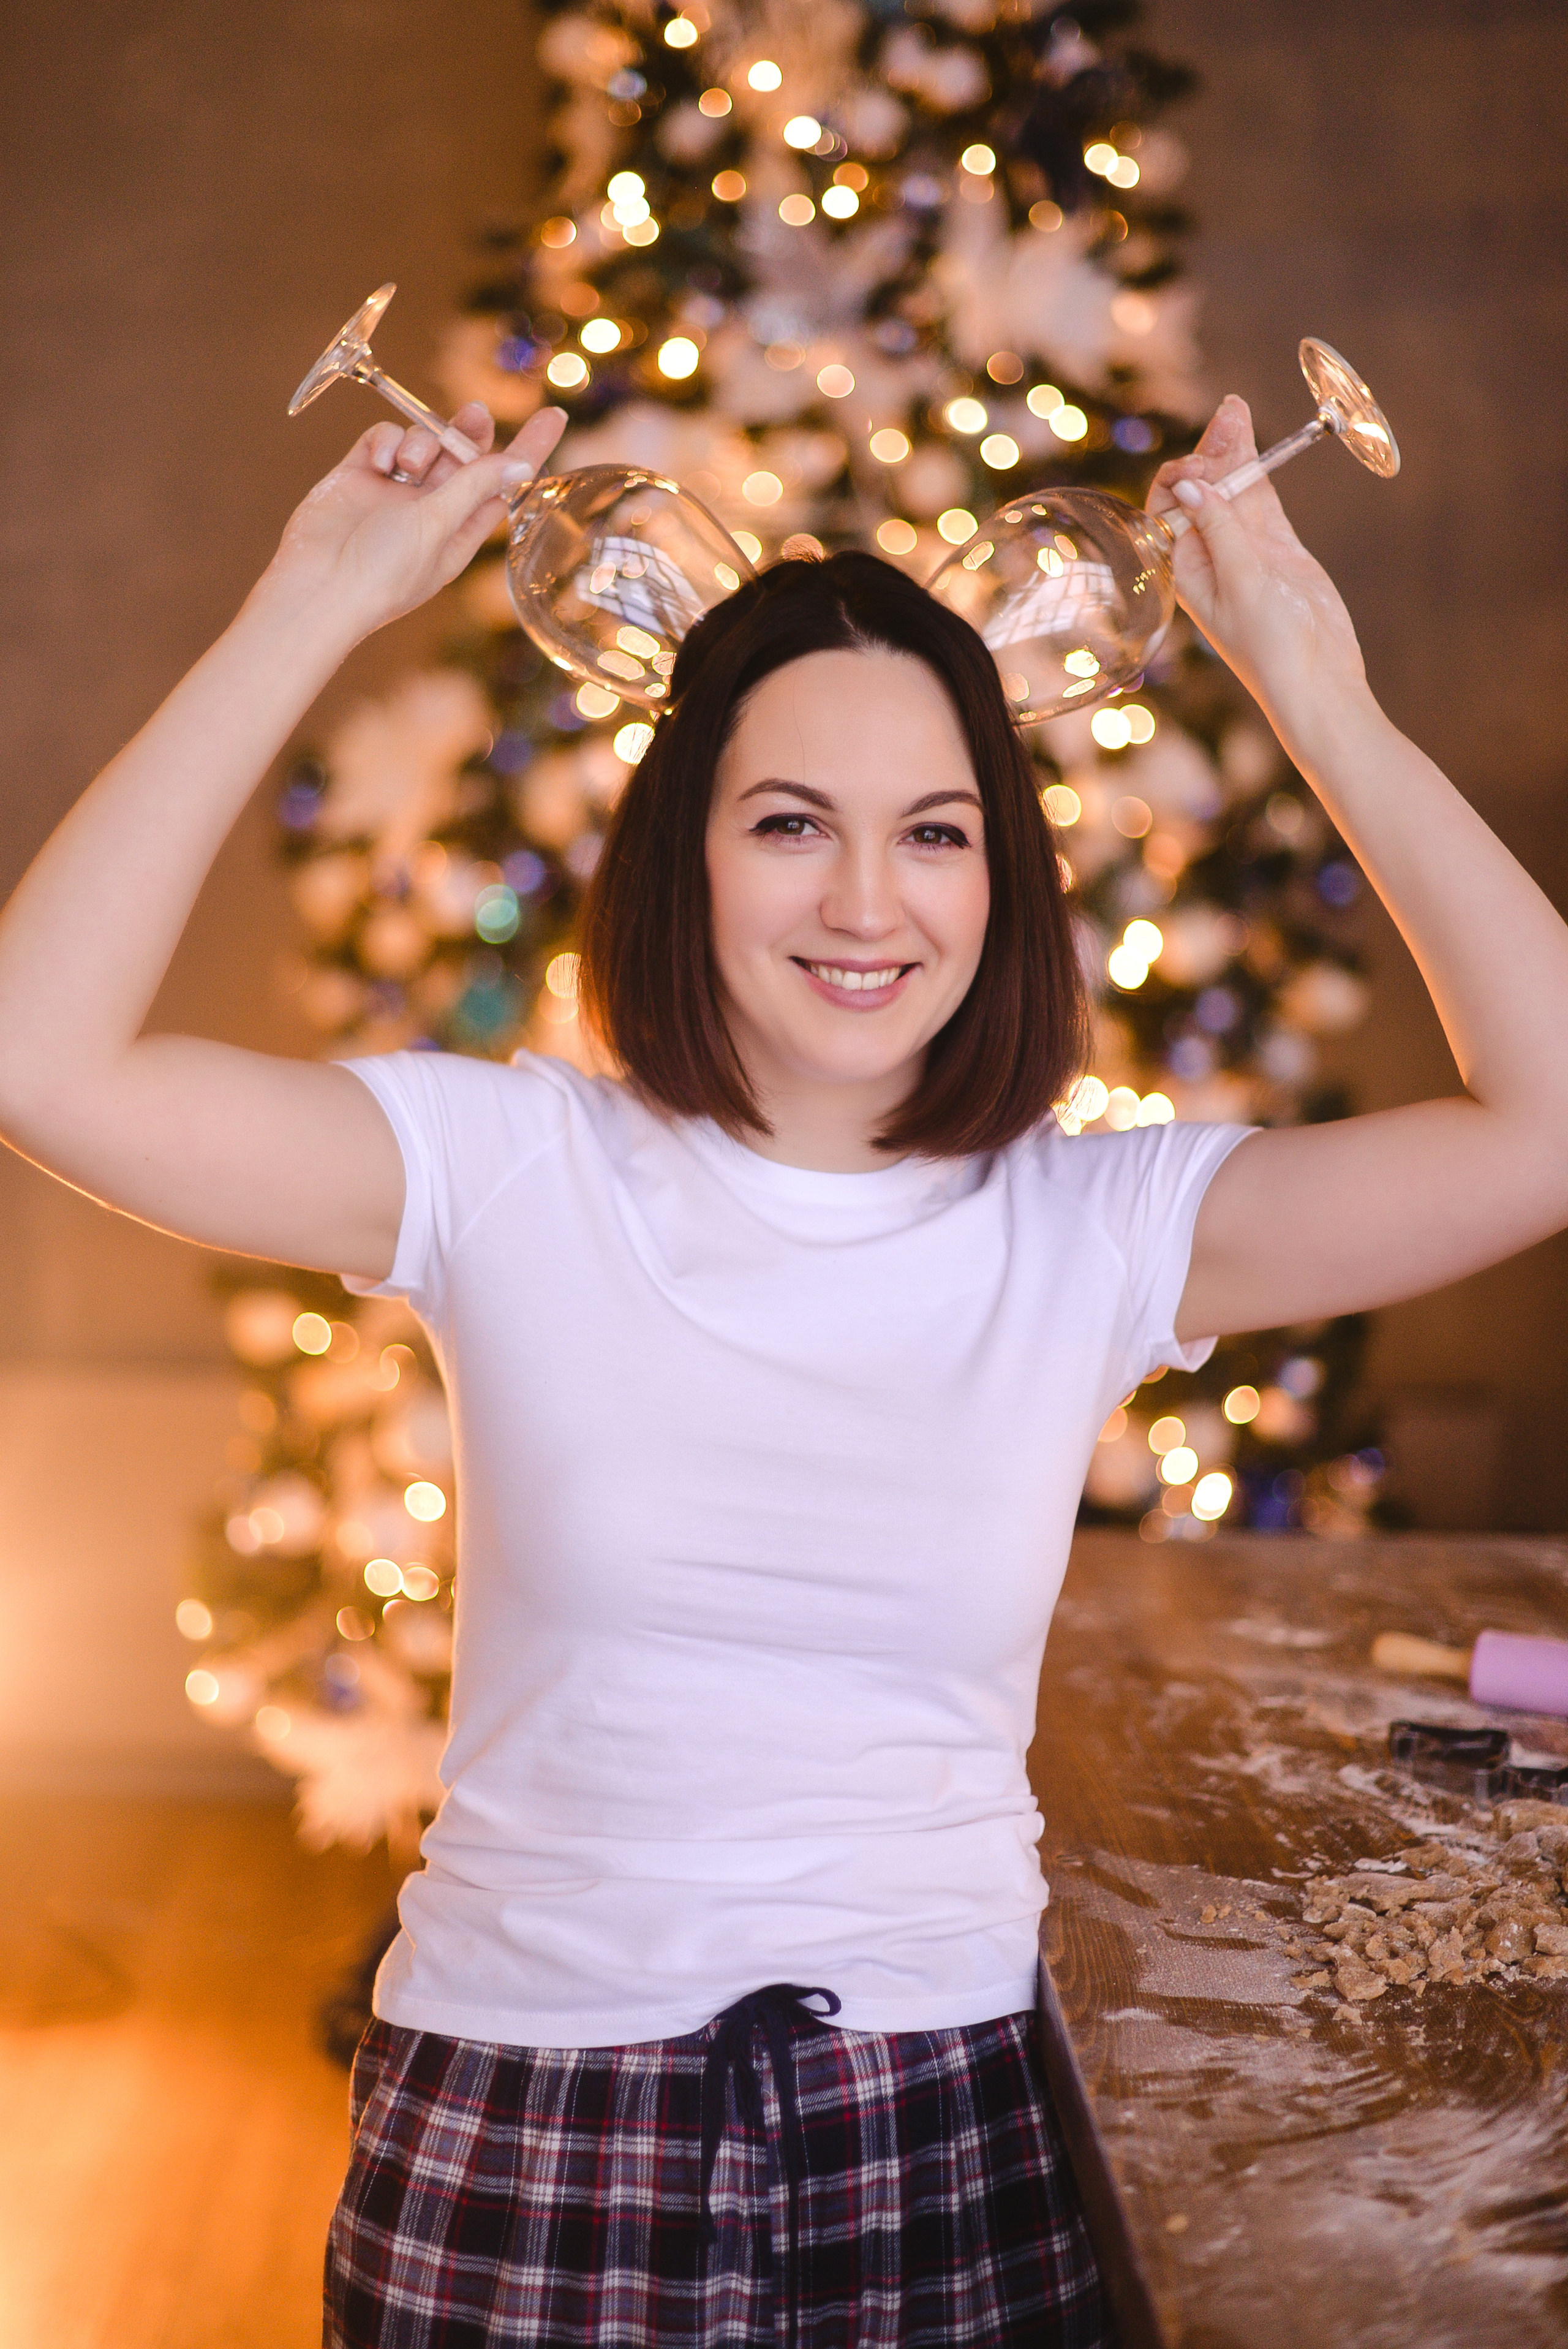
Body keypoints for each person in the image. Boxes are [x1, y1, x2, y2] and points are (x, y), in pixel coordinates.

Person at [2, 383, 1566, 2349]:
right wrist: (309, 603)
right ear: (690, 850)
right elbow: (39, 1058)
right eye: (790, 823)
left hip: (953, 2124)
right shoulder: (508, 1164)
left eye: (935, 832)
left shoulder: (1091, 1224)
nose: (864, 901)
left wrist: (1317, 693)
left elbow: (1548, 1122)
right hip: (523, 2116)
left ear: (1001, 876)